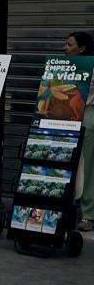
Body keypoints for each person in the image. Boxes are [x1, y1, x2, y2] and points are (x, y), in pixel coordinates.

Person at [65, 31, 94, 232]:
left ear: (82, 48)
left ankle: (88, 214)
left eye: (69, 44)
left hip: (87, 115)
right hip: (65, 115)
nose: (65, 48)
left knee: (87, 166)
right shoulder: (64, 66)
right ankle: (66, 206)